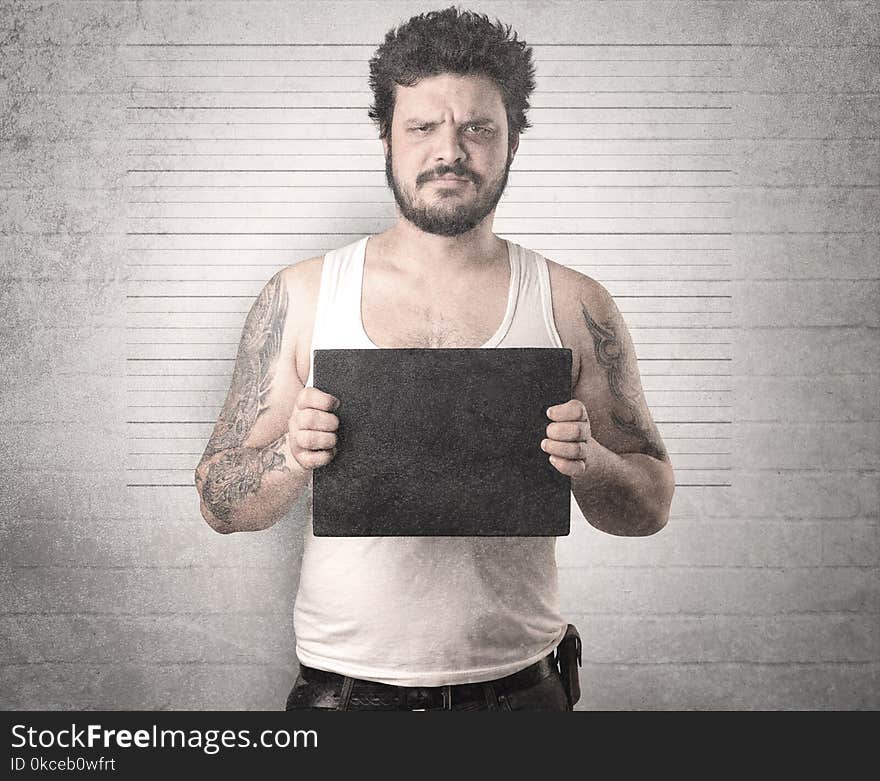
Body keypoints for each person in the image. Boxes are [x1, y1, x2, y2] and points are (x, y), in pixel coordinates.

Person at [193, 7, 674, 711]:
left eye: (478, 127)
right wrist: (291, 455)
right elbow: (216, 500)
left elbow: (652, 503)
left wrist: (591, 461)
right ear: (385, 138)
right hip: (346, 696)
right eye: (422, 127)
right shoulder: (300, 295)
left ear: (513, 142)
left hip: (523, 693)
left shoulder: (574, 304)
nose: (450, 150)